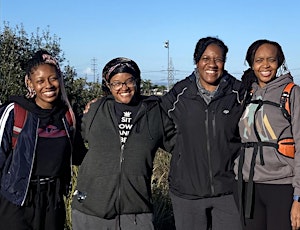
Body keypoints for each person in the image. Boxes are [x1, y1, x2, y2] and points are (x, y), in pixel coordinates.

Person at [71, 57, 167, 229]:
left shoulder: (154, 113)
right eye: (116, 83)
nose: (123, 87)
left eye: (129, 81)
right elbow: (73, 142)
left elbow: (181, 145)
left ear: (137, 81)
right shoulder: (95, 111)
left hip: (137, 212)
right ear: (108, 86)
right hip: (91, 211)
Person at [160, 36, 244, 230]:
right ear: (196, 60)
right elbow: (158, 120)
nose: (212, 64)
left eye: (218, 59)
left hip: (228, 191)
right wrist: (182, 147)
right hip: (187, 193)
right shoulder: (179, 94)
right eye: (206, 58)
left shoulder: (238, 93)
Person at [235, 39, 300, 230]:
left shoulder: (293, 94)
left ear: (279, 62)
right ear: (251, 64)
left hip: (282, 185)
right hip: (248, 185)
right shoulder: (246, 93)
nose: (265, 65)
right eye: (259, 60)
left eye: (271, 60)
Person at [0, 50, 85, 230]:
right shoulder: (15, 112)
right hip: (17, 200)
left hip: (53, 202)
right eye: (40, 81)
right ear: (30, 83)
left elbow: (79, 156)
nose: (48, 85)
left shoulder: (67, 116)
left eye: (53, 78)